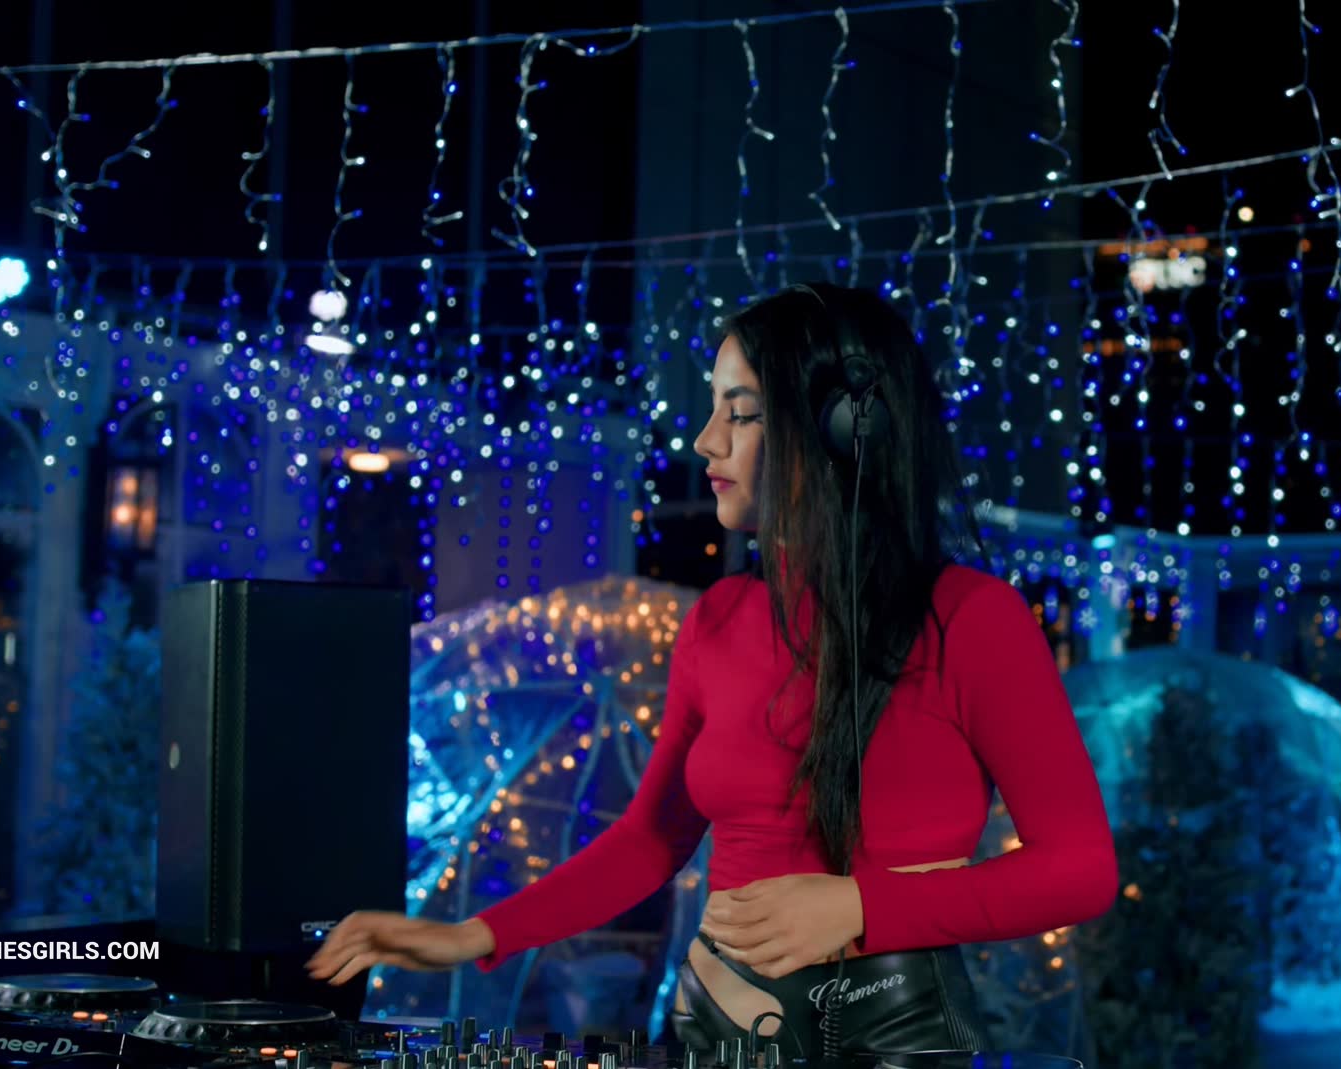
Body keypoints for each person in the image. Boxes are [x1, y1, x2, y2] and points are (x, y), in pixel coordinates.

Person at [307, 283, 1119, 1058]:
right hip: (719, 1030)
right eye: (712, 409)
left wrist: (862, 905)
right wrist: (472, 935)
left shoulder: (971, 618)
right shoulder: (719, 619)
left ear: (841, 428)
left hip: (886, 1038)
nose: (706, 440)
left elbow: (1080, 869)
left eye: (742, 412)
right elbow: (651, 840)